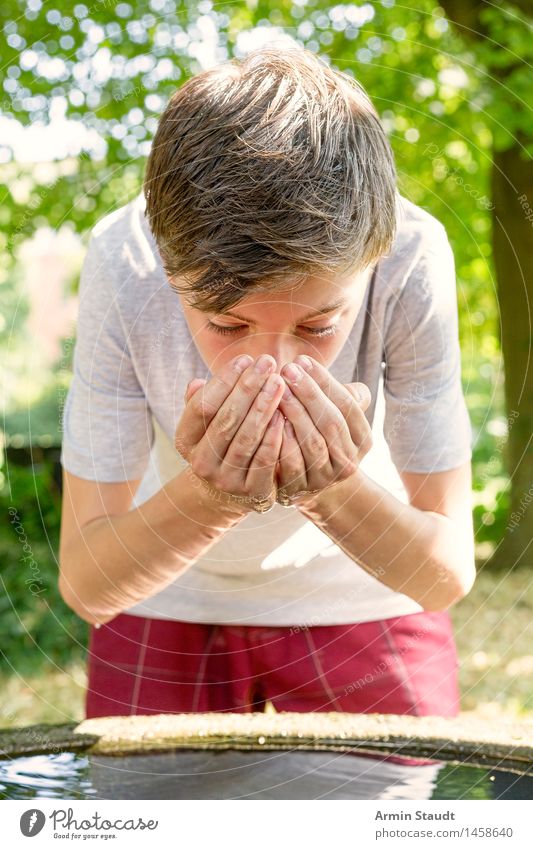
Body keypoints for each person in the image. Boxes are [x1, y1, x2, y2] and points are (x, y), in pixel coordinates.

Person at [58, 46, 475, 721]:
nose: (274, 367)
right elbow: (87, 584)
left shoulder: (411, 255)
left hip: (366, 588)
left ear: (373, 259)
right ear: (166, 261)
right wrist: (207, 498)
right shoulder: (124, 260)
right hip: (164, 594)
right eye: (225, 322)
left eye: (317, 326)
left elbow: (445, 572)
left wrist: (331, 487)